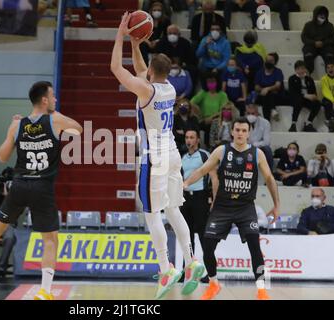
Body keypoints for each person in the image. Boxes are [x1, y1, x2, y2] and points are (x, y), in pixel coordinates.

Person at [0, 81, 83, 301]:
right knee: (50, 240)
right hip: (42, 186)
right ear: (44, 100)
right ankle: (44, 291)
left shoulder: (17, 124)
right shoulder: (55, 120)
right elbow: (79, 130)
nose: (55, 100)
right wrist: (57, 115)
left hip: (20, 185)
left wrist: (11, 131)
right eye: (52, 97)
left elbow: (2, 157)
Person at [111, 13, 205, 299]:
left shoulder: (146, 89)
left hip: (154, 157)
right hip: (173, 154)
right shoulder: (169, 88)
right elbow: (141, 69)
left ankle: (166, 267)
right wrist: (134, 44)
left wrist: (119, 34)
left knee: (152, 214)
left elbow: (116, 68)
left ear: (151, 71)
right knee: (174, 209)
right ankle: (192, 261)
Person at [183, 117, 280, 300]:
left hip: (245, 207)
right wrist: (186, 182)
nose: (241, 133)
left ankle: (261, 289)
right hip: (222, 207)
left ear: (249, 133)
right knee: (208, 247)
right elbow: (203, 170)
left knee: (254, 246)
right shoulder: (221, 151)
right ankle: (213, 284)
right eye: (238, 130)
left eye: (244, 130)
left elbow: (269, 179)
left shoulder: (257, 154)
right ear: (232, 132)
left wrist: (276, 205)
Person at [181, 129, 218, 258]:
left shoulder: (205, 155)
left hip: (200, 198)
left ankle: (209, 270)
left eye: (192, 137)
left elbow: (214, 178)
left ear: (198, 140)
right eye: (187, 137)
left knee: (203, 235)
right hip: (186, 198)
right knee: (187, 235)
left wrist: (215, 200)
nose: (189, 140)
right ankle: (189, 268)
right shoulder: (183, 157)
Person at [190, 72, 228, 148]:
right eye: (209, 82)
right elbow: (191, 103)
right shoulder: (203, 93)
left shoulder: (222, 95)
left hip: (217, 119)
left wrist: (211, 118)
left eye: (213, 81)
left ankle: (210, 147)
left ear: (217, 82)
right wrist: (198, 112)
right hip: (203, 119)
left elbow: (223, 110)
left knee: (213, 124)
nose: (211, 83)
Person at [155, 24, 198, 88]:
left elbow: (192, 59)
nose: (172, 35)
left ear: (179, 34)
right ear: (166, 34)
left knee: (193, 70)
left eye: (174, 33)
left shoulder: (185, 43)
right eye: (170, 33)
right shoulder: (161, 43)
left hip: (182, 66)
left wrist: (180, 65)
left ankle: (188, 95)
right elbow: (158, 57)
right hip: (165, 67)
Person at [301, 6, 334, 75]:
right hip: (311, 46)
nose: (322, 16)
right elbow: (304, 37)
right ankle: (306, 76)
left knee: (330, 55)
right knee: (308, 55)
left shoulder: (330, 25)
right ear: (315, 15)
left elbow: (333, 37)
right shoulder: (308, 25)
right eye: (320, 14)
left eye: (324, 14)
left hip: (326, 46)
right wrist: (314, 43)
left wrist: (323, 43)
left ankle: (332, 77)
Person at [288, 60, 320, 132]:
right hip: (296, 99)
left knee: (317, 103)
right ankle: (293, 124)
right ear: (295, 70)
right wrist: (305, 95)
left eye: (302, 68)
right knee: (298, 100)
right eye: (298, 69)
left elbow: (314, 93)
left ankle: (309, 123)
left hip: (308, 100)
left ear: (305, 69)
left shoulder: (310, 79)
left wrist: (314, 96)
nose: (301, 71)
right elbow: (292, 93)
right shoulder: (292, 79)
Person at [254, 52, 285, 121]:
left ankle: (267, 121)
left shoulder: (278, 72)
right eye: (267, 60)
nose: (268, 62)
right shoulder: (259, 72)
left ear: (275, 62)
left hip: (276, 96)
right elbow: (256, 87)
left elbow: (278, 85)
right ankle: (272, 109)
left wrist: (267, 89)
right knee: (265, 96)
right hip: (262, 95)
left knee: (268, 96)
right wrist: (263, 90)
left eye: (271, 61)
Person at [245, 104, 273, 170]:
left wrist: (254, 145)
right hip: (245, 146)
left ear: (257, 113)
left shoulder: (265, 123)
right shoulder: (241, 122)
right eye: (248, 113)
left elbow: (267, 142)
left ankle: (269, 174)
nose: (250, 115)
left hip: (260, 148)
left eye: (253, 113)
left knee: (267, 149)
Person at [321, 63, 334, 132]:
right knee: (327, 103)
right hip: (329, 98)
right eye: (328, 68)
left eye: (332, 67)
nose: (330, 69)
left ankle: (331, 120)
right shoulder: (323, 79)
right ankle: (331, 123)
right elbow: (325, 91)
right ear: (326, 70)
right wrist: (333, 101)